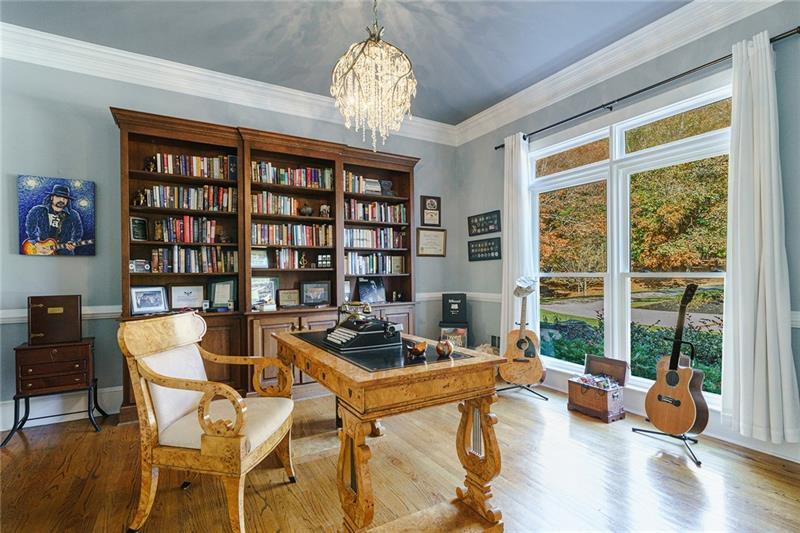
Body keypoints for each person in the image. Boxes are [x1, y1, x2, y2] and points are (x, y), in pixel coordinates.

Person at [24, 184, 83, 255]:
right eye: (58, 197)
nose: (62, 200)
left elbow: (78, 232)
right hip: (42, 252)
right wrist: (36, 243)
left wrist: (74, 242)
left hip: (65, 254)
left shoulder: (73, 214)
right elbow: (30, 227)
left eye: (65, 198)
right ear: (52, 197)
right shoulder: (38, 210)